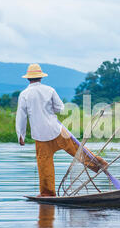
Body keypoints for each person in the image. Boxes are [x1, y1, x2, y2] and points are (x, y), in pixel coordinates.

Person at [16, 63, 108, 197]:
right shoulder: (50, 90)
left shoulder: (24, 94)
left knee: (44, 165)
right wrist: (50, 110)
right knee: (78, 150)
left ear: (28, 79)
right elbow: (61, 108)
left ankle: (47, 193)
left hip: (40, 135)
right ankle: (99, 163)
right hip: (57, 130)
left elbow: (21, 116)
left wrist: (21, 135)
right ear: (41, 77)